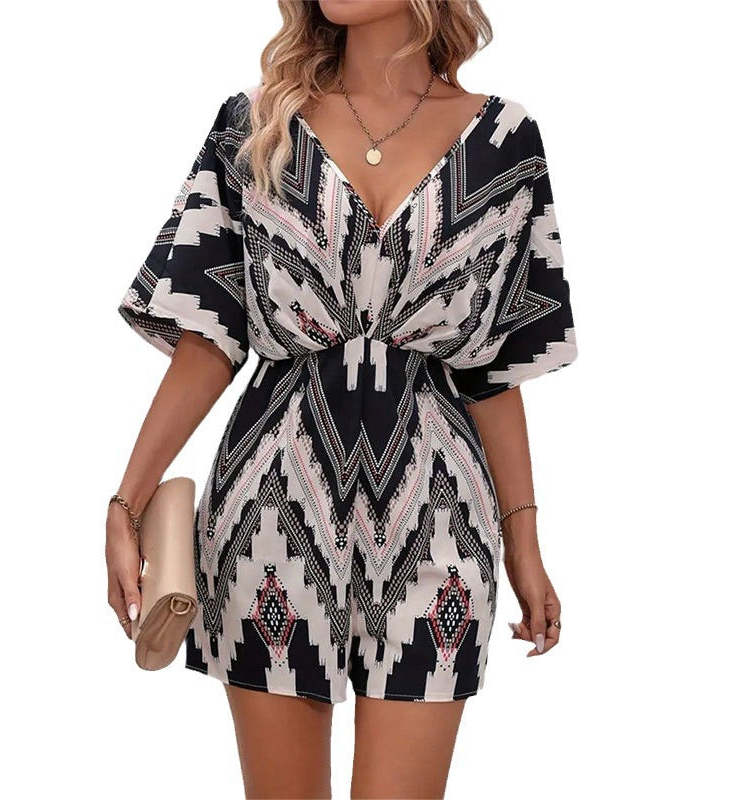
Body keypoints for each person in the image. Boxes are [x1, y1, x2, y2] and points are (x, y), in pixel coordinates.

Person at [106, 1, 578, 796]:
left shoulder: (505, 140)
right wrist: (125, 503)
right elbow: (208, 338)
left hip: (439, 525)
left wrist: (524, 541)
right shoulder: (254, 126)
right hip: (271, 519)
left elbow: (496, 366)